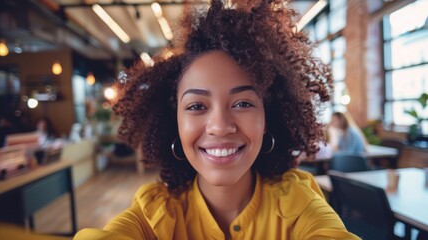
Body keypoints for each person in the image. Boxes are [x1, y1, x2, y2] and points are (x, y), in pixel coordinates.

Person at [75, 0, 359, 239]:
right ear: (174, 121)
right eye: (197, 105)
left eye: (243, 103)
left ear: (267, 118)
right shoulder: (152, 216)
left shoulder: (299, 204)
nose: (221, 126)